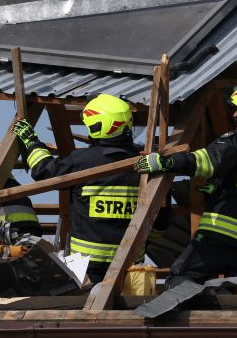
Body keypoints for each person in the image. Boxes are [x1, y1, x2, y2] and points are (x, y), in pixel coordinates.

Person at [133, 82, 237, 294]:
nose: (234, 115)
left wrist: (165, 163)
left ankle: (212, 291)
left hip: (217, 236)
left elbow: (207, 162)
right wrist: (219, 190)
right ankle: (235, 290)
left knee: (179, 280)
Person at [11, 94, 141, 284]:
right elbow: (161, 222)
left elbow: (43, 170)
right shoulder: (146, 163)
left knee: (82, 310)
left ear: (96, 126)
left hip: (86, 266)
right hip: (132, 266)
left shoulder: (83, 161)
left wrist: (31, 142)